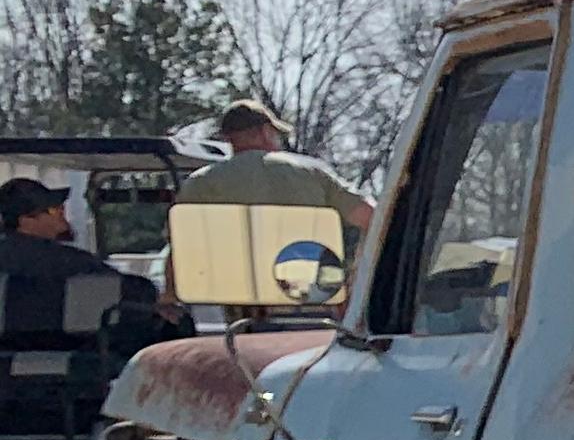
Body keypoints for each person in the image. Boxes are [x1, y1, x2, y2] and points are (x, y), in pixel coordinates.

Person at [167, 102, 372, 310]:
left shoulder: (200, 183)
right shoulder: (312, 172)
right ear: (265, 131)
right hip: (313, 305)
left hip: (239, 316)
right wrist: (352, 284)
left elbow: (180, 248)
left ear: (227, 138)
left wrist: (167, 298)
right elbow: (371, 219)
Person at [0, 176, 120, 336]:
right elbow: (134, 289)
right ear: (25, 221)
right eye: (52, 209)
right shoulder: (68, 261)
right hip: (67, 350)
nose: (62, 211)